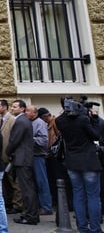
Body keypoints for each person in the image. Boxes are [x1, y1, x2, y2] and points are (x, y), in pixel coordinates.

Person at [56, 97, 102, 233]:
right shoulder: (83, 120)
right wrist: (93, 119)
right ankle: (95, 229)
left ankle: (82, 228)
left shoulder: (59, 121)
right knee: (93, 196)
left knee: (78, 195)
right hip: (88, 161)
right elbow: (95, 136)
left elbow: (67, 119)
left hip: (72, 162)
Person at [5, 100, 39, 225]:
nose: (12, 109)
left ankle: (30, 216)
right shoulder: (24, 120)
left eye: (15, 107)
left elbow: (14, 140)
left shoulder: (20, 121)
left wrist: (8, 151)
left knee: (26, 189)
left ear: (22, 109)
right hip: (24, 158)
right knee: (28, 188)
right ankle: (31, 214)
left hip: (22, 159)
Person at [0, 99, 22, 215]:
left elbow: (14, 138)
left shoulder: (12, 120)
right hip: (2, 157)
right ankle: (9, 202)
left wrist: (11, 153)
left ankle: (17, 204)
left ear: (4, 107)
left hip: (9, 156)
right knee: (6, 181)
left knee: (14, 181)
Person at [26, 105, 53, 215]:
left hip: (38, 156)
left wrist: (28, 138)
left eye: (28, 111)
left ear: (35, 113)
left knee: (41, 181)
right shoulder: (29, 122)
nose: (26, 113)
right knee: (34, 182)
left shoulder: (39, 123)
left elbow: (43, 140)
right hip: (30, 156)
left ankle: (46, 206)